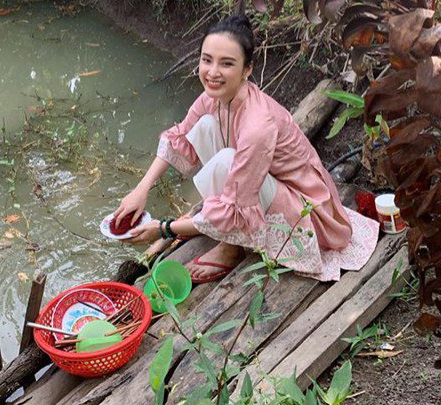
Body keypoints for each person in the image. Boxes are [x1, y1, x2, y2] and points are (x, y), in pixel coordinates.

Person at [112, 14, 379, 283]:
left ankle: (232, 248)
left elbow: (239, 198)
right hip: (262, 189)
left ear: (247, 69)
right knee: (203, 126)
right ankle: (224, 228)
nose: (213, 72)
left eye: (226, 64)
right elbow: (179, 137)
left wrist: (164, 229)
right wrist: (141, 190)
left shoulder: (257, 125)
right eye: (207, 60)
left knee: (227, 161)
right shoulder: (215, 97)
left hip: (306, 212)